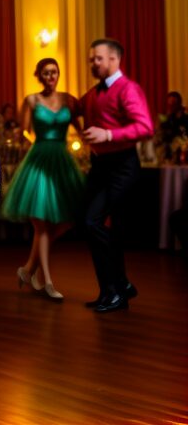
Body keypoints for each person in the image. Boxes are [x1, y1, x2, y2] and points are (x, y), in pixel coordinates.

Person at [0, 58, 84, 300]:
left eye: (54, 73)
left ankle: (28, 269)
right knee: (42, 225)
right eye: (46, 73)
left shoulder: (68, 99)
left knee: (68, 220)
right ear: (39, 76)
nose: (51, 77)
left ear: (58, 74)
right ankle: (46, 281)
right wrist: (25, 140)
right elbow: (23, 131)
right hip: (38, 159)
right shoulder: (31, 100)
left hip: (62, 161)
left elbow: (79, 127)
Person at [80, 38, 154, 313]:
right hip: (101, 166)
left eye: (98, 58)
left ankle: (115, 290)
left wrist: (108, 134)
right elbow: (77, 107)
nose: (93, 63)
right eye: (91, 59)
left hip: (123, 166)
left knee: (93, 222)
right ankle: (117, 287)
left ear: (114, 60)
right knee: (96, 224)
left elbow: (145, 127)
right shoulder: (94, 93)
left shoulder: (128, 89)